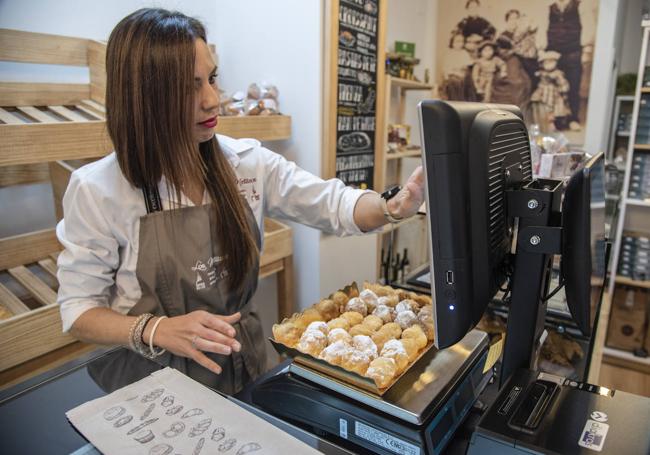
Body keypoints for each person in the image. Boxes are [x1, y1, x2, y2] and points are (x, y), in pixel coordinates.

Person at [56, 9, 425, 394]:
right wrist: (157, 328)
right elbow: (79, 311)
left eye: (212, 79)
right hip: (152, 383)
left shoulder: (245, 163)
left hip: (242, 364)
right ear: (144, 97)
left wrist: (390, 207)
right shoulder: (98, 189)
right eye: (188, 87)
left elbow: (328, 202)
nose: (212, 100)